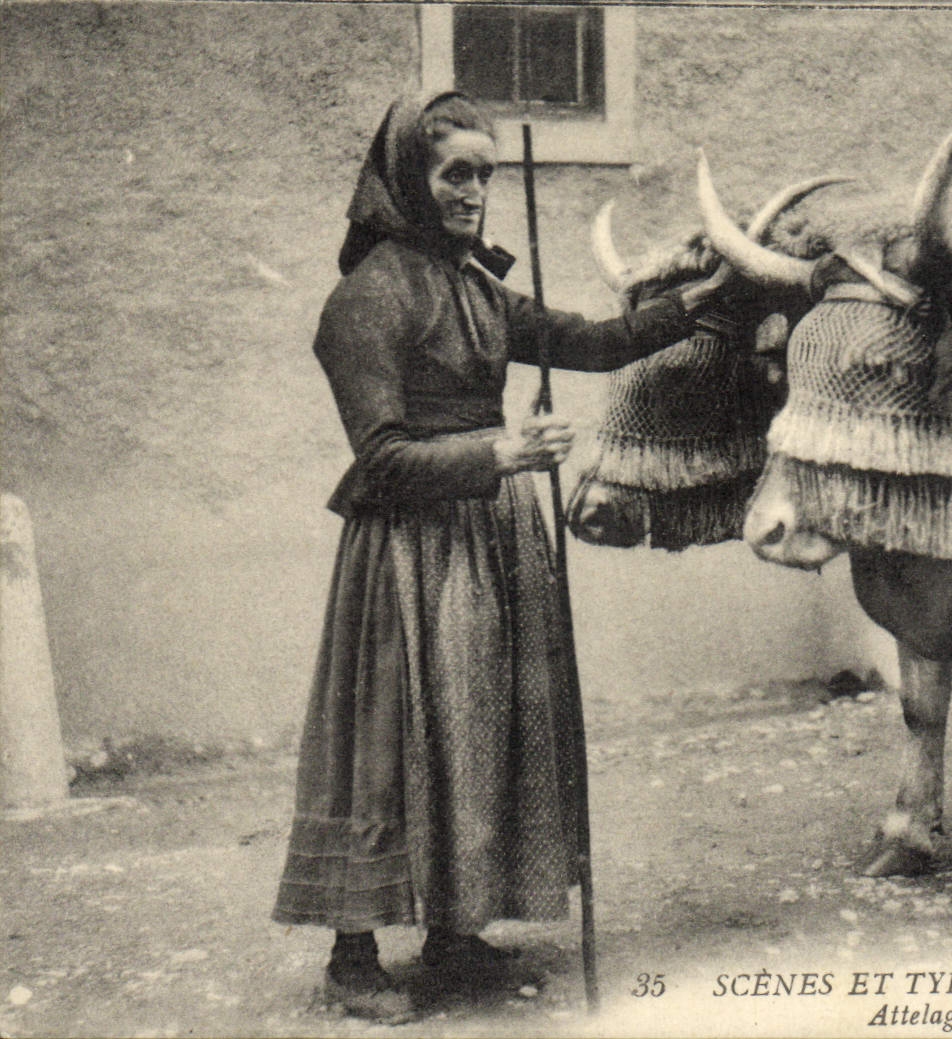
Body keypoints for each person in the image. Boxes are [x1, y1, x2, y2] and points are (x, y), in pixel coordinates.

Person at [271, 91, 727, 1024]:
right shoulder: (366, 299)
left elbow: (592, 342)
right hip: (407, 551)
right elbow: (381, 457)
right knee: (392, 740)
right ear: (407, 180)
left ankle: (455, 929)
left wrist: (700, 303)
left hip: (491, 539)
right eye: (454, 174)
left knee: (476, 728)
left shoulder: (474, 284)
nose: (473, 192)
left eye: (483, 173)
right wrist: (503, 452)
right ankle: (351, 958)